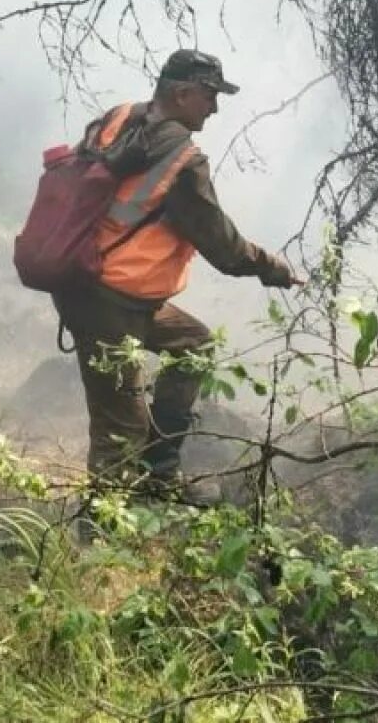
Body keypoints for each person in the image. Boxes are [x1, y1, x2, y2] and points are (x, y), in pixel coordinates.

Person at [54, 49, 299, 506]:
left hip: (99, 286)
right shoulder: (182, 161)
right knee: (120, 429)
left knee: (194, 345)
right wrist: (272, 268)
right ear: (183, 93)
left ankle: (157, 476)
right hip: (107, 301)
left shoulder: (118, 116)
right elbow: (223, 247)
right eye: (210, 95)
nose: (215, 107)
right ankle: (98, 544)